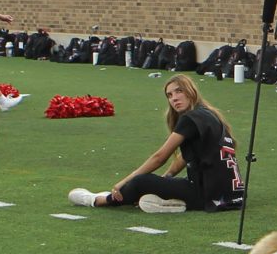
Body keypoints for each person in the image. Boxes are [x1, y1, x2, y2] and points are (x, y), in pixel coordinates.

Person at [67, 75, 246, 215]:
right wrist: (166, 177)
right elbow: (186, 156)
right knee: (159, 183)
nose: (174, 98)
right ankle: (170, 203)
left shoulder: (191, 118)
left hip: (210, 195)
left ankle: (99, 200)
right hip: (233, 195)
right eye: (169, 95)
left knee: (140, 182)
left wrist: (124, 182)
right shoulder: (209, 115)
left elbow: (160, 157)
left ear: (191, 91)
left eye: (179, 91)